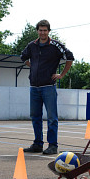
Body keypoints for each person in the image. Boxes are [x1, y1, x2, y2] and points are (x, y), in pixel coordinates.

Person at [21, 19, 74, 155]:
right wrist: (32, 66)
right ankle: (37, 144)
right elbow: (23, 57)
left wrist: (61, 74)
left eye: (45, 30)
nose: (42, 33)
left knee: (52, 117)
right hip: (34, 87)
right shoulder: (32, 45)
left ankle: (53, 145)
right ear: (37, 31)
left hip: (48, 87)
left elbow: (70, 57)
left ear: (49, 31)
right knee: (35, 116)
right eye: (40, 30)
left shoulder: (55, 45)